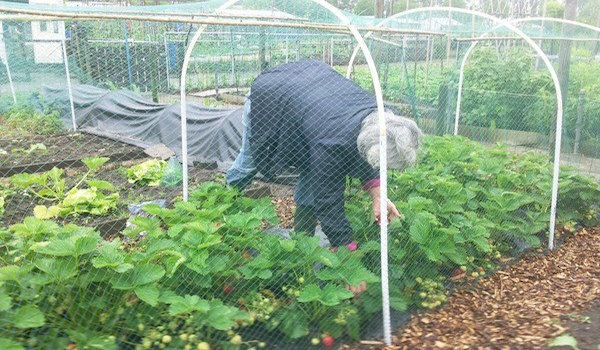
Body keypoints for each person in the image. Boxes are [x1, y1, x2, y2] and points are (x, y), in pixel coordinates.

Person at [227, 59, 422, 257]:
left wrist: (378, 195)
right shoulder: (333, 142)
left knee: (315, 176)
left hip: (310, 99)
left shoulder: (381, 118)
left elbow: (370, 151)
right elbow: (327, 198)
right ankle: (221, 202)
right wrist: (346, 250)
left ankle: (302, 246)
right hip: (269, 100)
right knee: (248, 164)